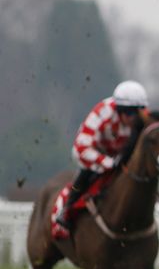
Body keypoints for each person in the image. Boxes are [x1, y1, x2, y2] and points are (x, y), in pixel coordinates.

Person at [54, 80, 149, 232]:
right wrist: (107, 163)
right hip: (96, 153)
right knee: (86, 174)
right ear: (119, 110)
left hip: (122, 155)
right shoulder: (102, 113)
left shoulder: (144, 117)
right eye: (129, 113)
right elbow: (81, 149)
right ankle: (66, 209)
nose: (133, 118)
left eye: (136, 113)